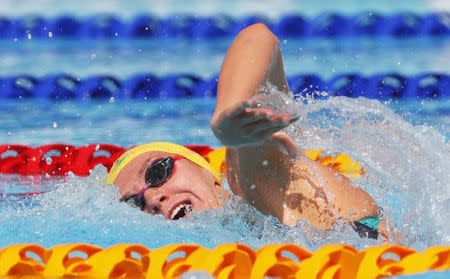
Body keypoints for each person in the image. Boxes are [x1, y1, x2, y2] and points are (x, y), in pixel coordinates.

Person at [107, 23, 388, 240]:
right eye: (135, 203)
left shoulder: (249, 181)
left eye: (158, 172)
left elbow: (257, 37)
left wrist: (229, 124)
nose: (153, 199)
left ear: (205, 170)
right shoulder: (245, 235)